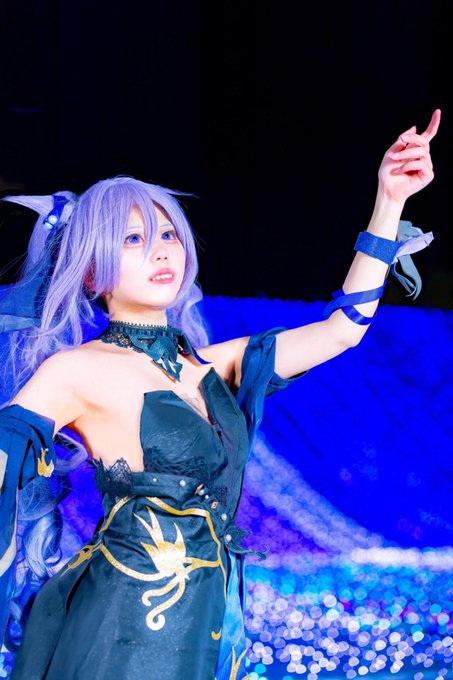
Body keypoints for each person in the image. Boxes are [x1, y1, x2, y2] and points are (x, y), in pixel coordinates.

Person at [0, 109, 441, 680]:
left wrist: (390, 200)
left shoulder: (217, 364)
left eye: (167, 235)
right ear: (91, 274)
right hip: (120, 631)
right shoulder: (75, 370)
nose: (161, 251)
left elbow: (343, 328)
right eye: (133, 239)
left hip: (212, 622)